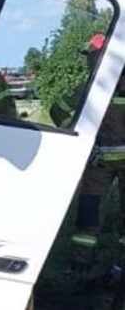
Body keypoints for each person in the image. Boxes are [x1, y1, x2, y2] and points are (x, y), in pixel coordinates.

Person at [70, 33, 125, 273]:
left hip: (98, 162)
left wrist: (82, 134)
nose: (89, 60)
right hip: (102, 161)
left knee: (88, 214)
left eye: (92, 55)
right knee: (90, 213)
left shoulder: (92, 88)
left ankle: (79, 265)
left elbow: (58, 110)